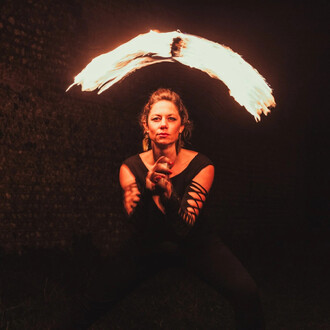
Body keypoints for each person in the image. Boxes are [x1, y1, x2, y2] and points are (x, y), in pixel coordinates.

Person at [68, 88, 265, 329]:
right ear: (145, 125)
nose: (163, 125)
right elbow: (136, 223)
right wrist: (150, 191)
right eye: (156, 118)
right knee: (93, 298)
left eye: (171, 119)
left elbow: (184, 227)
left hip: (196, 243)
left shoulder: (202, 165)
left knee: (247, 293)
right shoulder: (130, 167)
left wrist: (169, 194)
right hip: (149, 243)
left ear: (182, 126)